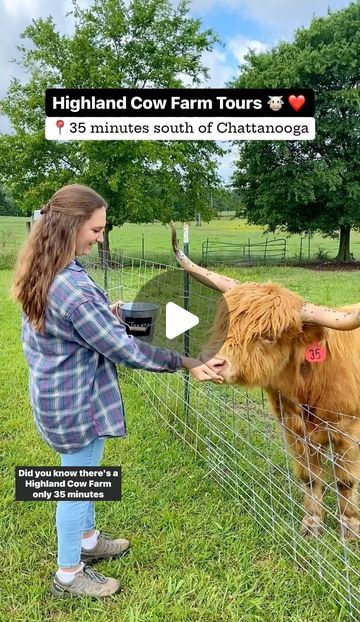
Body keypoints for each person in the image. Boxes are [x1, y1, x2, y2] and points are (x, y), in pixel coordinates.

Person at [11, 184, 224, 599]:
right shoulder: (71, 289)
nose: (101, 237)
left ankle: (88, 540)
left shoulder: (49, 268)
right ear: (71, 226)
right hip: (77, 404)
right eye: (96, 229)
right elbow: (122, 349)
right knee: (76, 483)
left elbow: (73, 326)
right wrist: (185, 361)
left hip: (57, 397)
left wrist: (106, 314)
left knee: (82, 475)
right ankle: (69, 574)